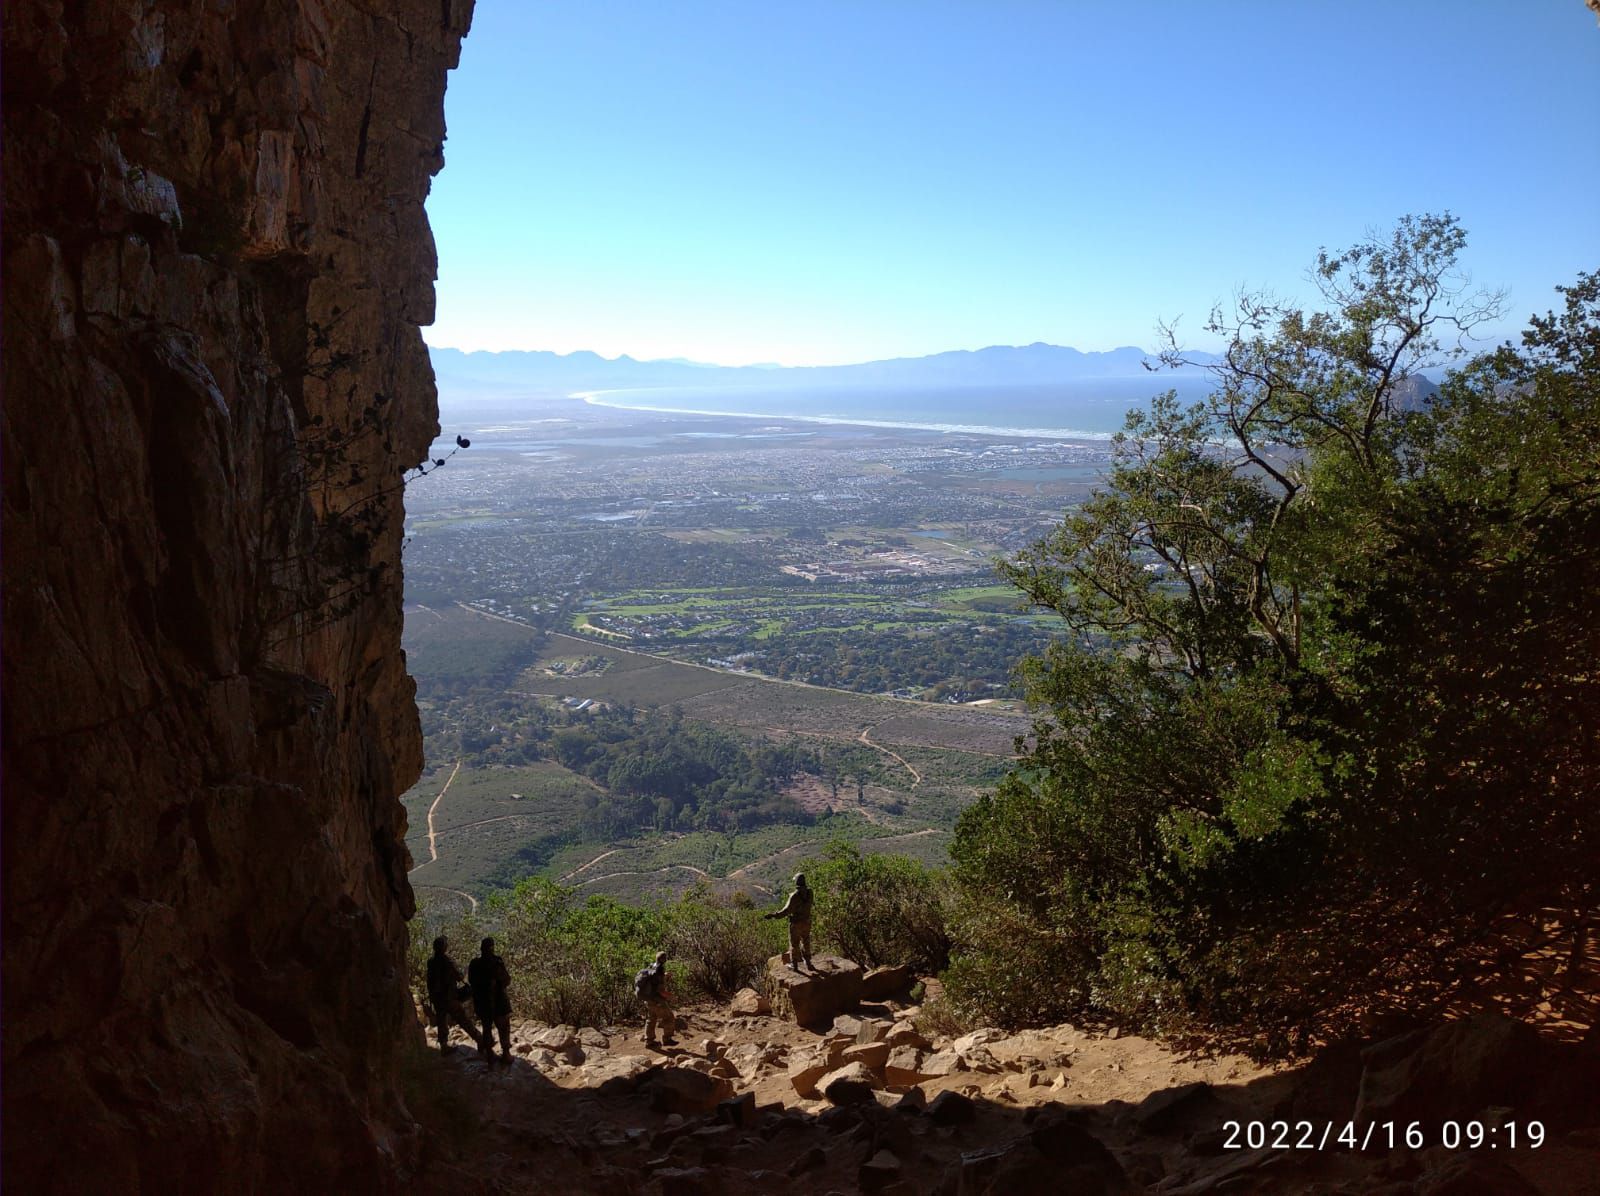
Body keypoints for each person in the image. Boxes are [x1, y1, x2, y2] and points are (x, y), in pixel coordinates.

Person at [425, 935, 485, 1052]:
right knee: (462, 1019)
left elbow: (430, 980)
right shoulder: (447, 961)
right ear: (443, 947)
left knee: (441, 1020)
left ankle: (444, 1045)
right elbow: (459, 976)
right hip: (449, 996)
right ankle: (480, 1040)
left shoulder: (431, 962)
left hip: (437, 997)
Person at [467, 936, 513, 1060]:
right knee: (503, 1027)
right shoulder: (497, 962)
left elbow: (471, 981)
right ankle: (506, 1053)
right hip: (499, 1001)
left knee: (486, 1027)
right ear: (492, 948)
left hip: (482, 1002)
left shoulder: (474, 964)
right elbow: (506, 980)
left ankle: (489, 1052)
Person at [764, 872, 814, 970]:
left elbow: (786, 911)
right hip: (807, 921)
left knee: (794, 944)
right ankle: (808, 963)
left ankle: (794, 965)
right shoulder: (810, 892)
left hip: (796, 923)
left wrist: (774, 915)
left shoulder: (795, 896)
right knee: (806, 941)